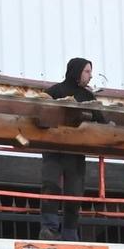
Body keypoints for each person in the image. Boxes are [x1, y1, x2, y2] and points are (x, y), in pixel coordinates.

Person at [39, 57, 98, 238]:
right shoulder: (55, 91)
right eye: (87, 71)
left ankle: (70, 232)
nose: (90, 76)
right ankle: (49, 228)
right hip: (54, 148)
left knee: (75, 191)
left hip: (76, 152)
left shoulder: (89, 97)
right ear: (77, 71)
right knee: (51, 185)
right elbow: (40, 110)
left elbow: (101, 119)